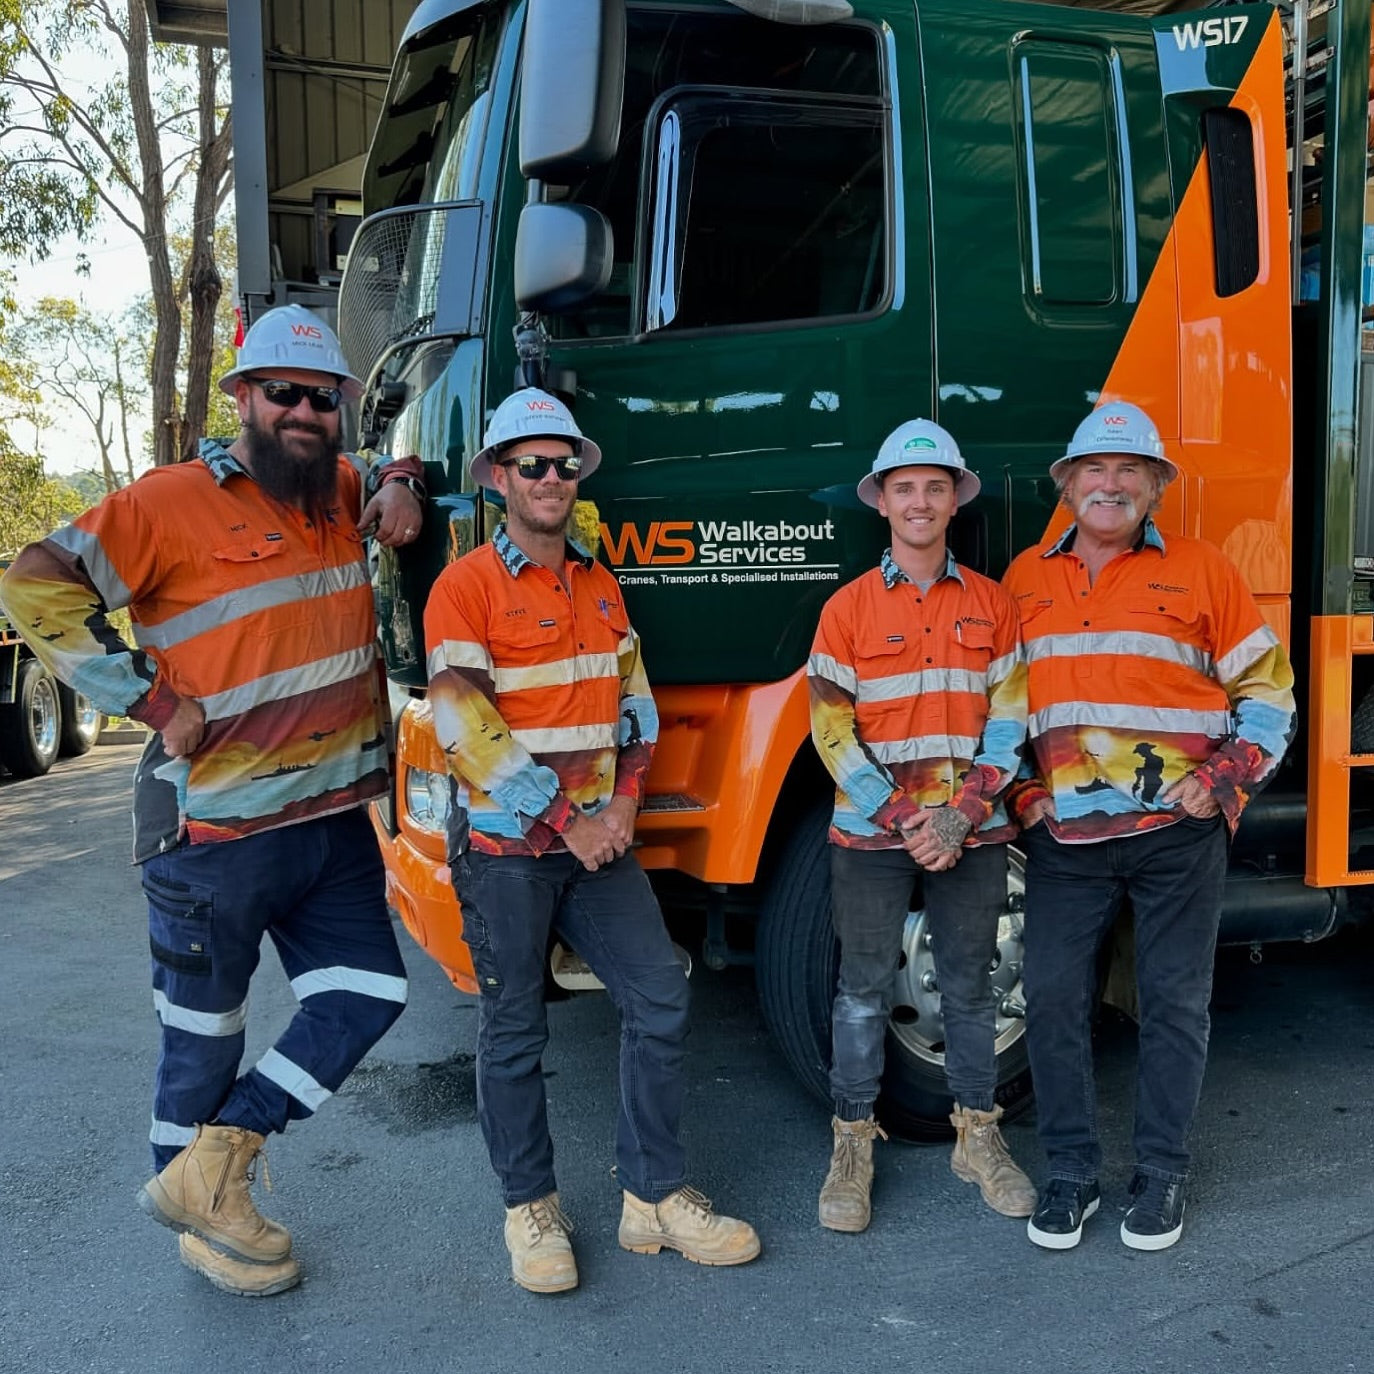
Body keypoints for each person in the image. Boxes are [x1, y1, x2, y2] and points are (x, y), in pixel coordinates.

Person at [0, 305, 426, 1297]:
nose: (305, 412)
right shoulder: (169, 502)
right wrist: (147, 700)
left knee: (369, 993)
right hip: (212, 835)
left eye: (323, 398)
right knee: (204, 1041)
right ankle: (204, 1225)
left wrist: (404, 478)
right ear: (243, 398)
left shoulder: (340, 488)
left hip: (329, 822)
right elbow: (34, 584)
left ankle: (217, 1163)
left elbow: (398, 465)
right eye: (284, 393)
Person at [423, 387, 760, 1294]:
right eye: (531, 463)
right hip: (508, 852)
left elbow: (636, 708)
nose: (551, 477)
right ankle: (529, 1210)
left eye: (564, 463)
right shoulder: (464, 587)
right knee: (514, 1029)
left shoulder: (599, 584)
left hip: (596, 846)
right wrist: (567, 820)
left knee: (660, 997)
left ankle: (653, 1197)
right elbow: (464, 726)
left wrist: (623, 808)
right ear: (499, 479)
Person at [1002, 401, 1297, 1252]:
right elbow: (995, 707)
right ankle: (1069, 1174)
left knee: (1174, 1004)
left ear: (1156, 488)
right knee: (1052, 1000)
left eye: (1130, 470)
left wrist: (1220, 785)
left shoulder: (1205, 571)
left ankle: (1161, 1173)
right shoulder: (1025, 578)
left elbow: (1270, 694)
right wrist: (1024, 795)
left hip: (1179, 834)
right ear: (1067, 485)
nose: (1112, 484)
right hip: (1066, 839)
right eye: (1095, 469)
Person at [807, 419, 1034, 1233]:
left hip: (974, 831)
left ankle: (978, 1138)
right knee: (862, 993)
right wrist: (909, 819)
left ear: (954, 500)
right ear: (882, 502)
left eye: (935, 487)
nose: (920, 502)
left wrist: (963, 813)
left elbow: (1011, 718)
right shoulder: (846, 610)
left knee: (970, 989)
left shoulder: (993, 604)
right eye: (904, 488)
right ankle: (852, 1148)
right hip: (874, 835)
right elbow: (830, 731)